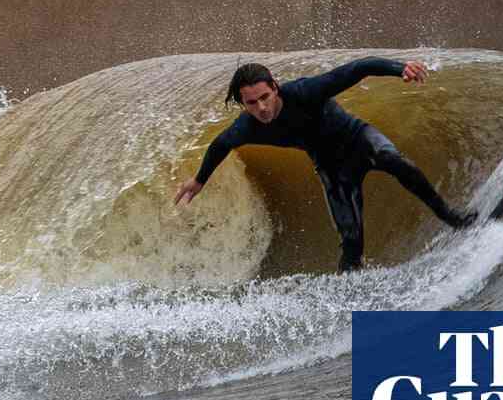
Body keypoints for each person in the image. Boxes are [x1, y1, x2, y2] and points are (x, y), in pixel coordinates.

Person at [173, 57, 476, 272]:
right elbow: (220, 145)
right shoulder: (245, 128)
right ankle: (351, 300)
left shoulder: (305, 92)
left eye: (265, 97)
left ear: (275, 88)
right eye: (252, 103)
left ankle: (452, 217)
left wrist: (401, 69)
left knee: (393, 160)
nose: (262, 108)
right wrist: (199, 181)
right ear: (243, 103)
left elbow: (360, 67)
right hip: (332, 168)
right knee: (351, 242)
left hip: (359, 139)